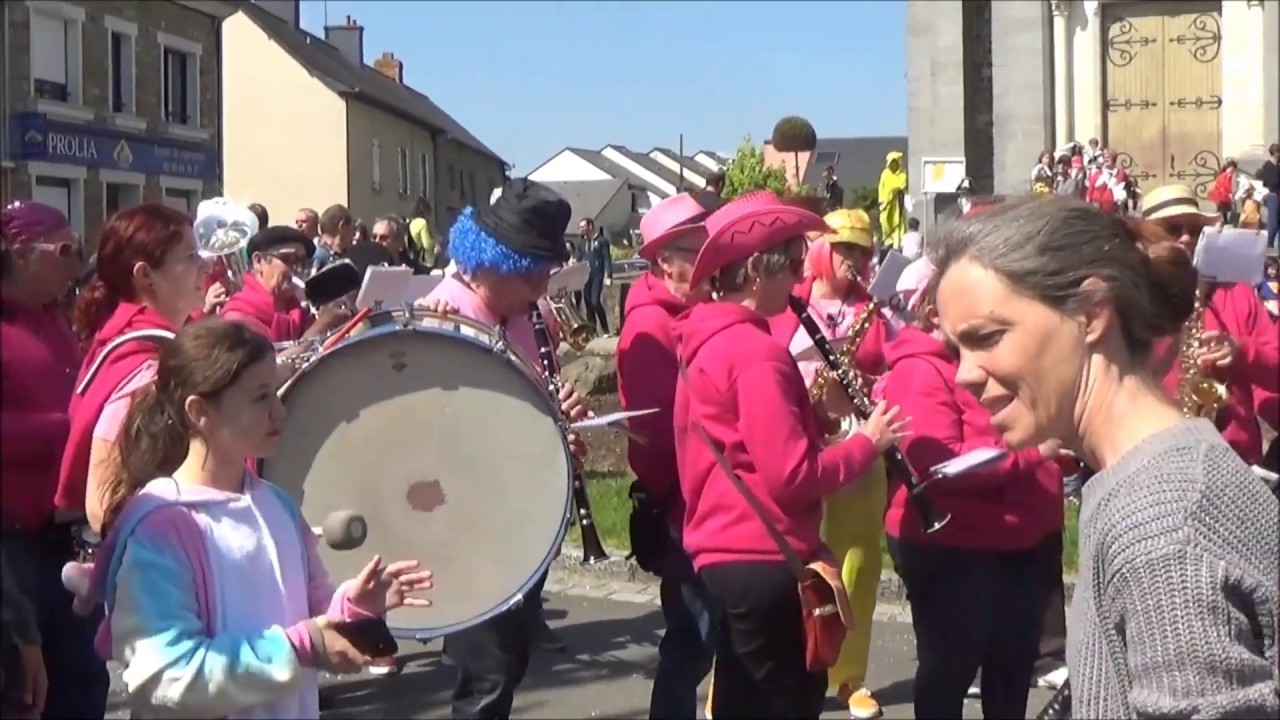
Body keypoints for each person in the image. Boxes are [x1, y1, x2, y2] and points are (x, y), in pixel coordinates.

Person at [929, 194, 1279, 719]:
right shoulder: (1150, 480)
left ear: (1091, 314)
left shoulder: (1163, 529)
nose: (965, 373)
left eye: (989, 338)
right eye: (958, 349)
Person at [76, 318, 432, 718]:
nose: (280, 411)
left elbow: (312, 616)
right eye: (261, 397)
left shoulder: (277, 505)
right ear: (199, 412)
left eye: (276, 392)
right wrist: (302, 646)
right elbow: (166, 675)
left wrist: (352, 611)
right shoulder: (165, 526)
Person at [674, 190, 909, 719]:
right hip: (765, 556)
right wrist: (863, 444)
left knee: (741, 702)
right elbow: (793, 475)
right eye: (793, 264)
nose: (801, 277)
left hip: (723, 549)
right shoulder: (756, 352)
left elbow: (726, 447)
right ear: (757, 269)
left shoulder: (704, 341)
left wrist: (813, 418)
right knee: (785, 702)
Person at [412, 178, 588, 720]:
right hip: (465, 519)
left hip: (518, 514)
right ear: (492, 259)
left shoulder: (525, 314)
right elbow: (429, 432)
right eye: (533, 270)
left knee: (510, 662)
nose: (542, 284)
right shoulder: (440, 318)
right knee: (486, 674)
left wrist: (559, 420)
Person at [874, 256, 1065, 720]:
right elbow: (941, 467)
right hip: (955, 544)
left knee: (1012, 670)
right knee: (950, 673)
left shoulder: (984, 360)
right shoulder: (921, 370)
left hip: (1019, 537)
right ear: (933, 312)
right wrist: (1035, 455)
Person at [767, 207, 891, 720]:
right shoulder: (786, 305)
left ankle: (849, 677)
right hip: (799, 442)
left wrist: (872, 385)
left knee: (859, 561)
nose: (856, 262)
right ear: (820, 251)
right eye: (846, 250)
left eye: (863, 252)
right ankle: (755, 676)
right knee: (786, 568)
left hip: (859, 441)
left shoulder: (873, 311)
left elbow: (889, 369)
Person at [616, 192, 723, 719]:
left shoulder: (690, 310)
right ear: (665, 260)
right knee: (694, 637)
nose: (711, 262)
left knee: (706, 636)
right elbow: (655, 432)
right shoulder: (651, 326)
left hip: (706, 501)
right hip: (687, 504)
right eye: (698, 251)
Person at [0, 200, 106, 718]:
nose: (76, 262)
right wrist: (67, 427)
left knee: (83, 683)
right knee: (24, 690)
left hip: (61, 540)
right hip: (11, 547)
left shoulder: (53, 320)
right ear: (21, 254)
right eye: (65, 250)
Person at [56, 204, 220, 534]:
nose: (205, 266)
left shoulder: (137, 337)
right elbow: (103, 502)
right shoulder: (146, 365)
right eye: (190, 257)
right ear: (145, 276)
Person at [1142, 184, 1280, 466]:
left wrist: (1243, 351)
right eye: (1173, 229)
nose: (1186, 238)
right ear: (1145, 238)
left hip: (1237, 460)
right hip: (1156, 458)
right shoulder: (1132, 299)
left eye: (1194, 230)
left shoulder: (1236, 292)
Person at [220, 226, 345, 346]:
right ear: (258, 261)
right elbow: (270, 366)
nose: (297, 269)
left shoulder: (298, 313)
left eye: (302, 262)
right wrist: (318, 328)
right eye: (289, 259)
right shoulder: (237, 320)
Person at [580, 218, 613, 335]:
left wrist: (608, 275)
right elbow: (580, 258)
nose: (581, 230)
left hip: (597, 275)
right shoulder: (583, 243)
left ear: (590, 226)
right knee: (588, 303)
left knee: (595, 302)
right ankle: (592, 331)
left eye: (583, 227)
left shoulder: (602, 241)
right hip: (585, 276)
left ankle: (605, 329)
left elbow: (607, 259)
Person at [877, 152, 908, 253]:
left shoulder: (902, 173)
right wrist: (883, 201)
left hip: (897, 204)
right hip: (886, 203)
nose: (893, 165)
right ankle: (888, 241)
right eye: (892, 163)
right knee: (884, 221)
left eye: (895, 162)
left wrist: (896, 190)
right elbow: (881, 188)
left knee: (898, 223)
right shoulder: (885, 174)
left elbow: (902, 185)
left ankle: (897, 243)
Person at [311, 204, 356, 273]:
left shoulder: (337, 257)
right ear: (342, 226)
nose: (354, 233)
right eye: (352, 227)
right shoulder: (319, 258)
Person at [1084, 149, 1128, 215]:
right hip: (1096, 210)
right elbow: (1090, 191)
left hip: (1113, 210)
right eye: (1104, 157)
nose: (1106, 159)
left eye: (1108, 157)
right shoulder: (1097, 173)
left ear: (1114, 159)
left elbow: (1125, 188)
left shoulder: (1120, 173)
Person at [1258, 143, 1280, 251]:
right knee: (1274, 223)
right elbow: (1268, 182)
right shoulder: (1267, 166)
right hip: (1272, 196)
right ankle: (1269, 244)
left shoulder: (1278, 165)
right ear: (1275, 153)